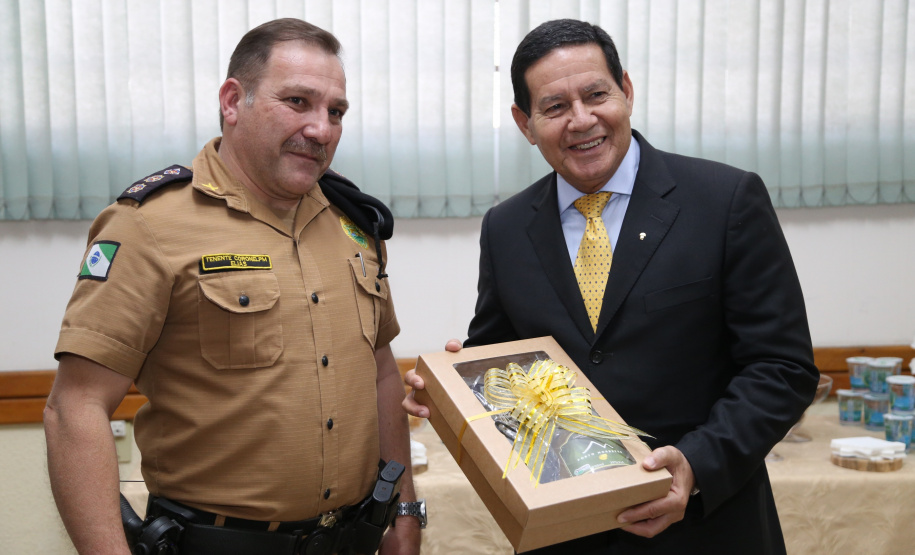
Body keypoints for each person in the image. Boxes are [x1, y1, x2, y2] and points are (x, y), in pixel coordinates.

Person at [404, 18, 817, 555]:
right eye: (554, 108)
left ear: (625, 91)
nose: (582, 120)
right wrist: (457, 386)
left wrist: (695, 464)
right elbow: (505, 359)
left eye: (596, 95)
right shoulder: (506, 227)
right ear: (525, 123)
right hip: (563, 531)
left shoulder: (725, 200)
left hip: (706, 526)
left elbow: (783, 368)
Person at [44, 18, 422, 555]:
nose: (321, 129)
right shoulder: (149, 225)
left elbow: (382, 372)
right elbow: (74, 408)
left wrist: (404, 513)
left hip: (353, 538)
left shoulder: (353, 224)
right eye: (297, 101)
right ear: (232, 101)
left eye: (335, 111)